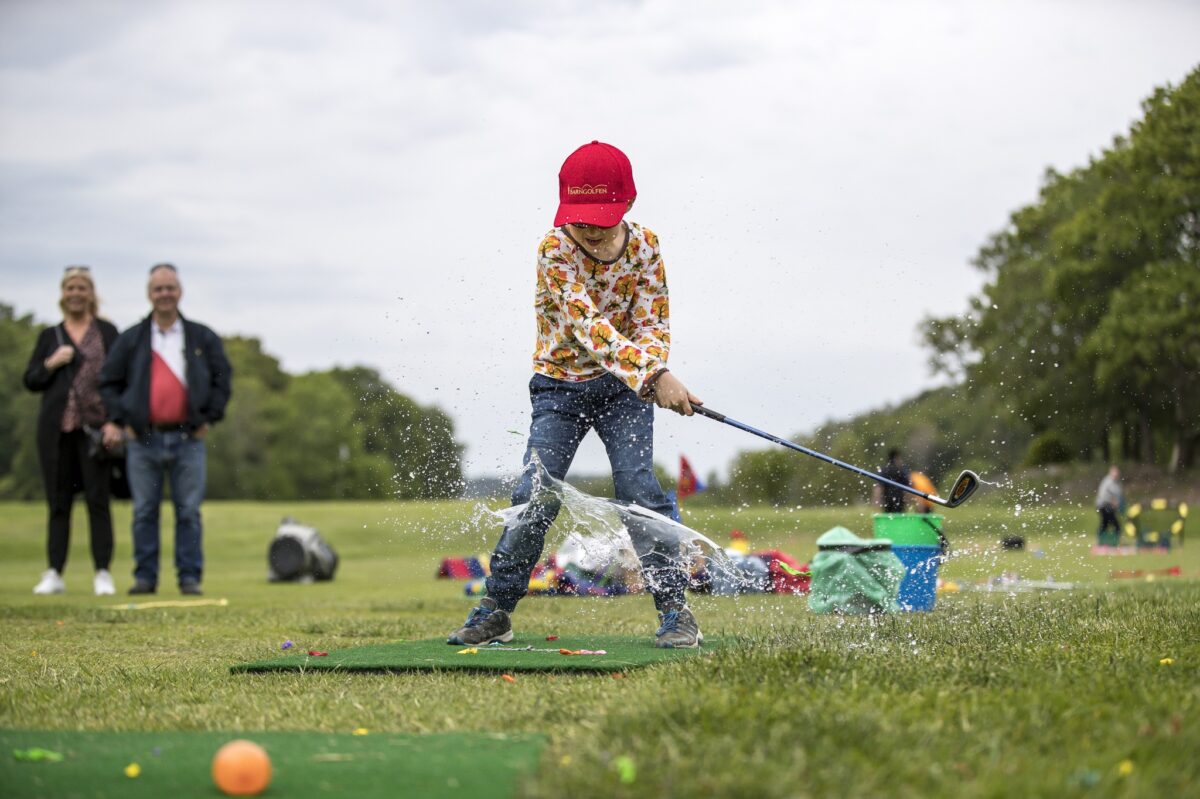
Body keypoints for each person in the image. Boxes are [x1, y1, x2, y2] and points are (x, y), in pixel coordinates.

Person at [448, 140, 704, 649]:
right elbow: (588, 325)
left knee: (638, 492)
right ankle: (497, 609)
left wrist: (654, 371)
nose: (588, 227)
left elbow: (652, 321)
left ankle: (677, 611)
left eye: (600, 217)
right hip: (559, 388)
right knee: (534, 496)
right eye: (580, 216)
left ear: (626, 204)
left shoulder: (647, 246)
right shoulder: (554, 249)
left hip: (624, 392)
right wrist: (653, 374)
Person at [99, 264, 231, 595]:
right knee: (144, 512)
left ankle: (189, 578)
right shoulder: (132, 339)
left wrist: (209, 418)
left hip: (189, 438)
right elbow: (109, 382)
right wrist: (120, 418)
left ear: (179, 291)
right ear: (149, 294)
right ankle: (145, 577)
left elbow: (222, 379)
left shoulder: (201, 336)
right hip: (143, 439)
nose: (165, 294)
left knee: (188, 511)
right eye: (158, 289)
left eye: (170, 287)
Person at [23, 267, 121, 595]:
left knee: (97, 500)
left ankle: (103, 573)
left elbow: (120, 380)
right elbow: (31, 380)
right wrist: (52, 363)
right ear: (62, 294)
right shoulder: (50, 336)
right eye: (69, 288)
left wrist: (115, 422)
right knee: (58, 502)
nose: (75, 293)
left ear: (91, 293)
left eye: (81, 287)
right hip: (56, 431)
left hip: (95, 430)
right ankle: (54, 572)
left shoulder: (107, 332)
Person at [873, 448, 911, 513]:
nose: (901, 461)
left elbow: (879, 487)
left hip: (887, 501)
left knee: (889, 519)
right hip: (899, 501)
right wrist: (908, 501)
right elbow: (906, 489)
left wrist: (877, 500)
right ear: (896, 458)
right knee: (899, 520)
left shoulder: (884, 470)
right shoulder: (901, 471)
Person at [1095, 465, 1123, 544]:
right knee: (1114, 524)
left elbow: (1119, 495)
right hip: (1103, 506)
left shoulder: (1117, 483)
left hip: (1110, 506)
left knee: (1105, 524)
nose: (1116, 475)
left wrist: (1118, 503)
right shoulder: (1107, 482)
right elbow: (1103, 495)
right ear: (1111, 473)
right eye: (1114, 473)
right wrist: (1112, 501)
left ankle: (1104, 541)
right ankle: (1113, 540)